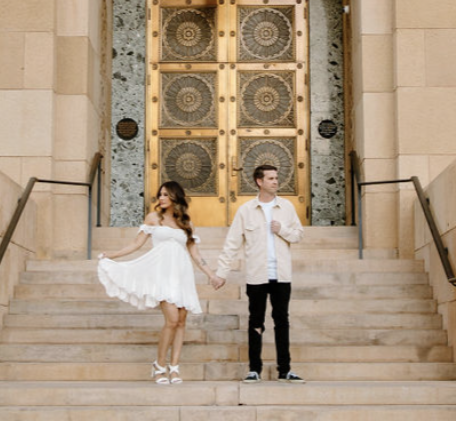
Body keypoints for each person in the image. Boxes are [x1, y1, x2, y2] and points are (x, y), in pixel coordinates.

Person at [97, 181, 224, 384]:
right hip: (162, 275)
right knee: (172, 320)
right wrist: (112, 255)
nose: (161, 198)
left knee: (181, 321)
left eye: (165, 194)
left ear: (175, 197)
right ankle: (159, 364)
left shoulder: (186, 223)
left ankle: (174, 367)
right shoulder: (153, 218)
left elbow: (195, 254)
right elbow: (136, 243)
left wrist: (212, 275)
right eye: (160, 195)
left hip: (182, 275)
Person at [215, 164, 305, 382]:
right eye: (271, 178)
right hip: (257, 276)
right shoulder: (246, 210)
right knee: (256, 321)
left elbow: (298, 234)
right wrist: (221, 272)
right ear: (259, 181)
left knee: (281, 320)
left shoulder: (286, 207)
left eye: (276, 177)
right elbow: (232, 243)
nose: (276, 181)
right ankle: (254, 368)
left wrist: (281, 230)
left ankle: (285, 369)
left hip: (281, 275)